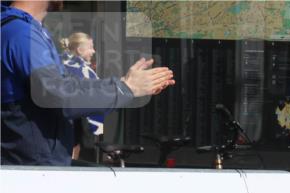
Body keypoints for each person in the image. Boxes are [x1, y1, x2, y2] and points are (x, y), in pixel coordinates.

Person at [1, 0, 174, 165]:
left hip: (34, 168)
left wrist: (123, 84)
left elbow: (67, 85)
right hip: (32, 173)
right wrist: (125, 89)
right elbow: (58, 96)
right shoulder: (21, 33)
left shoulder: (27, 30)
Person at [60, 31, 103, 159]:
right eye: (90, 47)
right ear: (79, 49)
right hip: (72, 121)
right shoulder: (78, 69)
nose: (94, 51)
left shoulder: (63, 64)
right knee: (72, 155)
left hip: (67, 119)